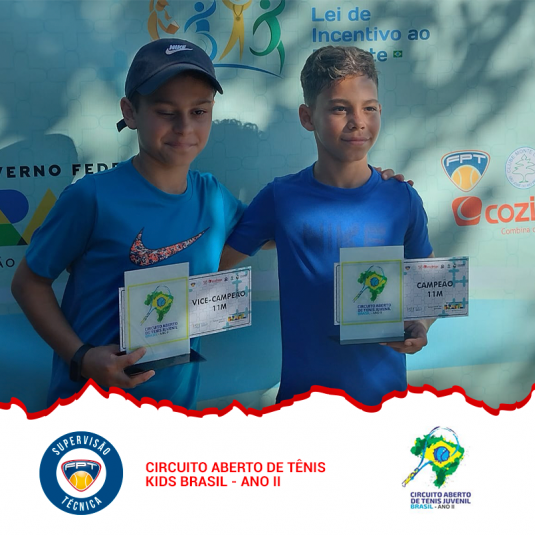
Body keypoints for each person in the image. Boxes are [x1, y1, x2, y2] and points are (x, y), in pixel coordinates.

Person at [11, 39, 245, 409]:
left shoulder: (214, 196)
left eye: (199, 111)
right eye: (166, 111)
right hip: (91, 411)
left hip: (176, 411)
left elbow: (264, 230)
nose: (185, 127)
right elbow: (28, 283)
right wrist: (82, 356)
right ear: (130, 112)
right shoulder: (91, 197)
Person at [220, 45, 435, 407]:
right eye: (340, 108)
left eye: (369, 108)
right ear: (308, 117)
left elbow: (427, 282)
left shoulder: (402, 198)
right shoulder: (281, 198)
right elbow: (215, 262)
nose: (358, 121)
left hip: (386, 404)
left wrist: (422, 325)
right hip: (304, 405)